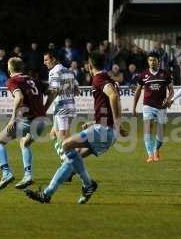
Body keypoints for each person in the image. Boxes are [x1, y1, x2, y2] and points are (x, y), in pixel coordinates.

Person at [24, 50, 122, 204]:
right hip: (105, 131)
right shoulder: (107, 78)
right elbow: (110, 102)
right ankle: (47, 194)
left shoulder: (98, 79)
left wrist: (116, 122)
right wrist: (96, 122)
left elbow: (113, 96)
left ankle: (88, 184)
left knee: (66, 145)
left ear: (90, 65)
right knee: (71, 159)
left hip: (103, 131)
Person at [0, 57, 52, 190]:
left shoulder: (12, 81)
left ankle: (6, 173)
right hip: (41, 121)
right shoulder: (33, 80)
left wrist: (13, 118)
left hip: (27, 121)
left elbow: (19, 97)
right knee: (24, 143)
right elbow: (53, 92)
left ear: (10, 68)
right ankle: (28, 176)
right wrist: (44, 109)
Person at [132, 53, 174, 163]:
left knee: (160, 133)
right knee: (147, 129)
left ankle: (156, 150)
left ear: (158, 61)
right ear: (148, 61)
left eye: (154, 60)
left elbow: (171, 91)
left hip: (161, 106)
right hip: (148, 105)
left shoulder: (165, 74)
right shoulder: (143, 75)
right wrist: (134, 107)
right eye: (150, 60)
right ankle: (150, 155)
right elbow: (137, 92)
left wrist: (168, 99)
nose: (152, 62)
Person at [43, 51, 78, 162]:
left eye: (46, 60)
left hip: (61, 107)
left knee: (62, 136)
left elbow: (54, 91)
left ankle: (70, 164)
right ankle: (65, 159)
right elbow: (77, 90)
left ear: (53, 59)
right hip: (71, 106)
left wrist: (44, 108)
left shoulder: (54, 72)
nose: (44, 63)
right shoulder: (70, 71)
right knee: (53, 134)